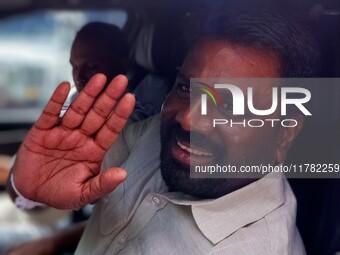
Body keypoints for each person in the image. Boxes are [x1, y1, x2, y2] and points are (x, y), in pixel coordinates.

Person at [7, 9, 320, 254]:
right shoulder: (156, 132)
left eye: (230, 106)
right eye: (186, 87)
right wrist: (25, 188)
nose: (188, 119)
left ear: (286, 133)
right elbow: (52, 179)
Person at [5, 22, 150, 255]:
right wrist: (22, 182)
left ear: (123, 63)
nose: (79, 76)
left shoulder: (133, 122)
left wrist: (53, 242)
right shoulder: (76, 101)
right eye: (74, 66)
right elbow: (29, 195)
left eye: (92, 66)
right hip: (68, 223)